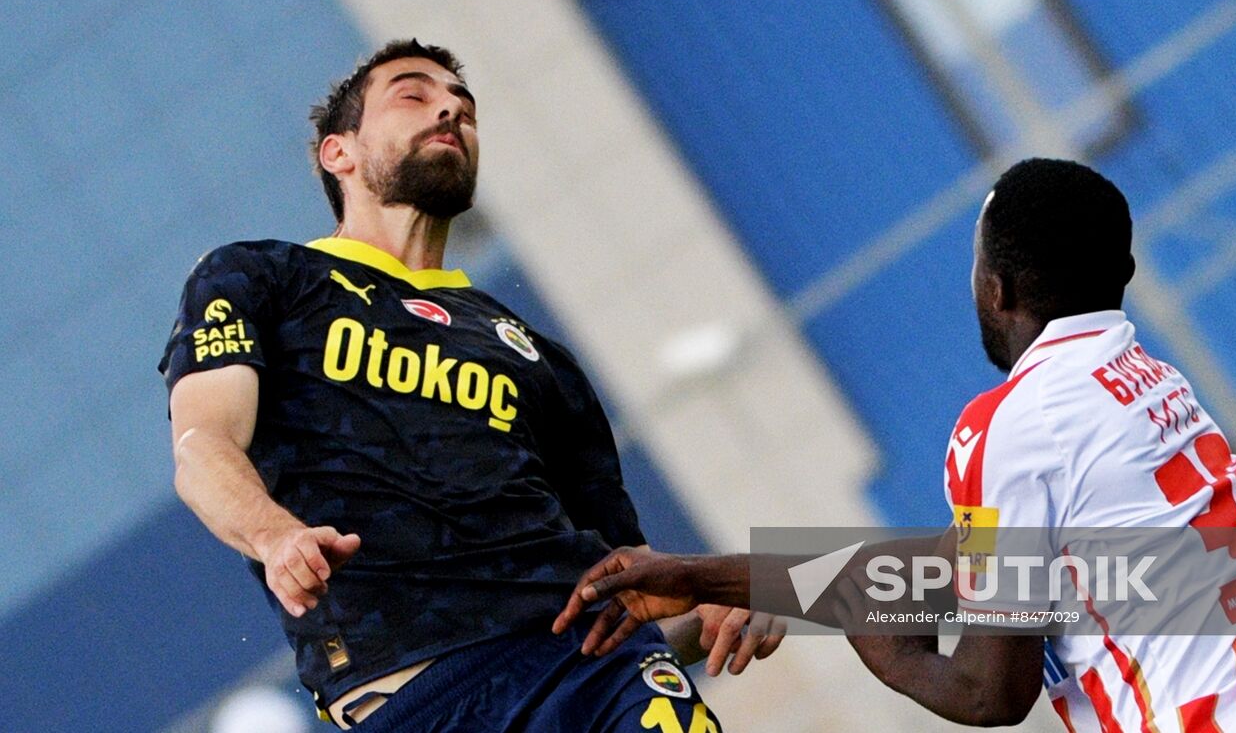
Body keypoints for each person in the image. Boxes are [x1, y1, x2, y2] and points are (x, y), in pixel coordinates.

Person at [554, 158, 1236, 732]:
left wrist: (859, 626)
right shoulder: (1145, 386)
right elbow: (962, 568)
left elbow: (991, 690)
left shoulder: (1010, 425)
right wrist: (718, 577)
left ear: (1001, 289)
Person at [160, 40, 780, 731]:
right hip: (418, 700)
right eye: (413, 94)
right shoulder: (262, 278)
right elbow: (201, 444)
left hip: (600, 673)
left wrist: (727, 597)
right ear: (340, 153)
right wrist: (276, 538)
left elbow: (624, 589)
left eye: (464, 105)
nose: (451, 107)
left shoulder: (535, 355)